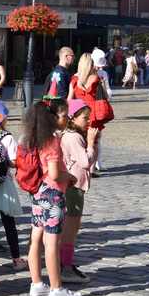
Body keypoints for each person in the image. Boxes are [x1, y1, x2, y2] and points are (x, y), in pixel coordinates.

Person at [24, 100, 82, 296]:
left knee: (35, 239)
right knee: (52, 243)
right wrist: (71, 178)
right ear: (52, 118)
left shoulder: (33, 138)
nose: (67, 118)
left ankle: (37, 283)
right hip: (52, 194)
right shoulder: (52, 141)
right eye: (64, 115)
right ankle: (57, 288)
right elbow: (55, 174)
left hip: (38, 192)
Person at [60, 99, 98, 284]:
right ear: (73, 118)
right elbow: (85, 162)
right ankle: (65, 266)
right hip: (73, 186)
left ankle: (66, 263)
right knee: (71, 227)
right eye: (85, 118)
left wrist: (92, 142)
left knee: (72, 226)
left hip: (75, 185)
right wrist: (91, 143)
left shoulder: (73, 134)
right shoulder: (73, 137)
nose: (88, 121)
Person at [0, 118, 28, 272]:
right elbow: (14, 162)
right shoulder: (7, 137)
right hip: (3, 183)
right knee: (8, 222)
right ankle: (16, 259)